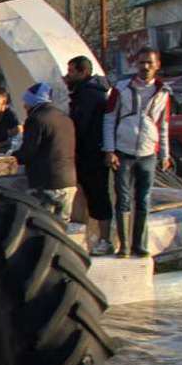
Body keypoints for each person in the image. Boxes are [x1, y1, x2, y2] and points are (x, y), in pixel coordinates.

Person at [104, 47, 173, 257]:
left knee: (143, 199)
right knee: (123, 198)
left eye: (150, 63)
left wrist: (165, 154)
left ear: (157, 65)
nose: (145, 67)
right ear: (136, 64)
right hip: (123, 152)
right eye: (141, 62)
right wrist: (109, 149)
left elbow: (164, 125)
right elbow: (108, 118)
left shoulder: (163, 92)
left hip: (147, 154)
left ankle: (139, 244)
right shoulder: (121, 88)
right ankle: (123, 245)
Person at [66, 56, 114, 256]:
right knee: (85, 194)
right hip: (87, 153)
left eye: (71, 72)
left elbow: (81, 125)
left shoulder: (89, 95)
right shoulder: (84, 93)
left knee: (98, 196)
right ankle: (84, 238)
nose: (68, 76)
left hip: (92, 154)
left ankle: (105, 239)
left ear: (83, 72)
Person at [14, 83, 78, 221]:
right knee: (60, 229)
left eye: (26, 102)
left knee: (41, 226)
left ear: (33, 102)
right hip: (68, 182)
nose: (25, 106)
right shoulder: (65, 118)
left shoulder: (36, 119)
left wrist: (11, 157)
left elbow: (28, 152)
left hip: (46, 183)